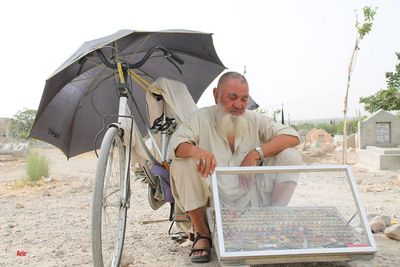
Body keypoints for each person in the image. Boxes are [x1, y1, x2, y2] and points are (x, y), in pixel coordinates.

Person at [168, 71, 302, 263]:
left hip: (251, 199)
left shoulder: (255, 120)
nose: (239, 105)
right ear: (216, 95)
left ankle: (272, 222)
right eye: (232, 97)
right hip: (214, 201)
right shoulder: (201, 118)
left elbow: (292, 136)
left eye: (244, 99)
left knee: (290, 156)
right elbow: (177, 144)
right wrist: (197, 152)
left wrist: (256, 153)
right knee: (182, 163)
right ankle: (202, 234)